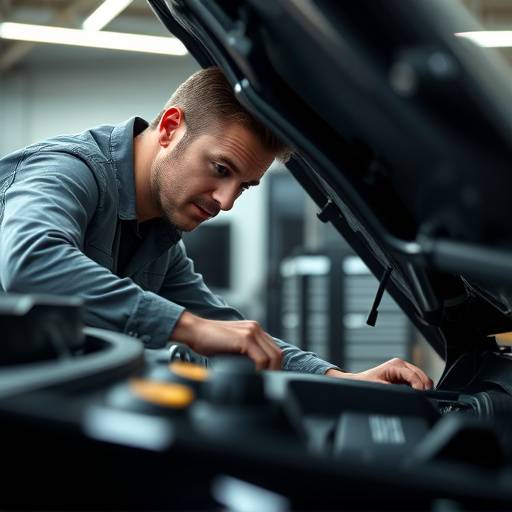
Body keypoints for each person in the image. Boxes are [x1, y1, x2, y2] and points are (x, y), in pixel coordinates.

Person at [0, 67, 432, 390]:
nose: (225, 201)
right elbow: (29, 262)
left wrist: (342, 380)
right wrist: (188, 327)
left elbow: (234, 332)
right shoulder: (67, 169)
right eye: (220, 169)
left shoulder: (160, 241)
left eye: (242, 186)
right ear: (170, 128)